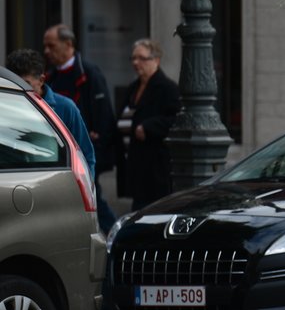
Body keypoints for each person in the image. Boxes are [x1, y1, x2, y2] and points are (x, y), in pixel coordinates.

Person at [43, 24, 116, 231]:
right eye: (45, 46)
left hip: (86, 149)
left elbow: (103, 114)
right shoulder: (51, 77)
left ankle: (114, 235)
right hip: (63, 152)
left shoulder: (89, 73)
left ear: (68, 45)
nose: (47, 51)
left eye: (51, 45)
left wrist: (98, 140)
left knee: (94, 199)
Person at [5, 48, 97, 178]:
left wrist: (85, 189)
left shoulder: (65, 108)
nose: (20, 90)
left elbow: (86, 155)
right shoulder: (5, 107)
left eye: (26, 84)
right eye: (15, 84)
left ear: (42, 80)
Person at [117, 39, 182, 211]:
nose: (136, 63)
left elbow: (178, 120)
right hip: (135, 166)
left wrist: (149, 126)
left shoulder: (167, 89)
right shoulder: (133, 88)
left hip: (155, 169)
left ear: (156, 60)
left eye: (141, 58)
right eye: (133, 58)